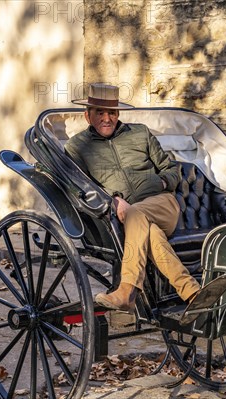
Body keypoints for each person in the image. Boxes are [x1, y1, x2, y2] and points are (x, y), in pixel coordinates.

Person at [65, 83, 201, 312]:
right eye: (100, 112)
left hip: (162, 205)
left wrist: (162, 182)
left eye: (112, 112)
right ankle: (193, 294)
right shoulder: (77, 146)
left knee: (136, 213)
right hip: (124, 218)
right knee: (151, 234)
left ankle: (127, 288)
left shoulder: (140, 133)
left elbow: (171, 170)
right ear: (87, 115)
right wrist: (113, 200)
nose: (107, 118)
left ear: (118, 113)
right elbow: (80, 187)